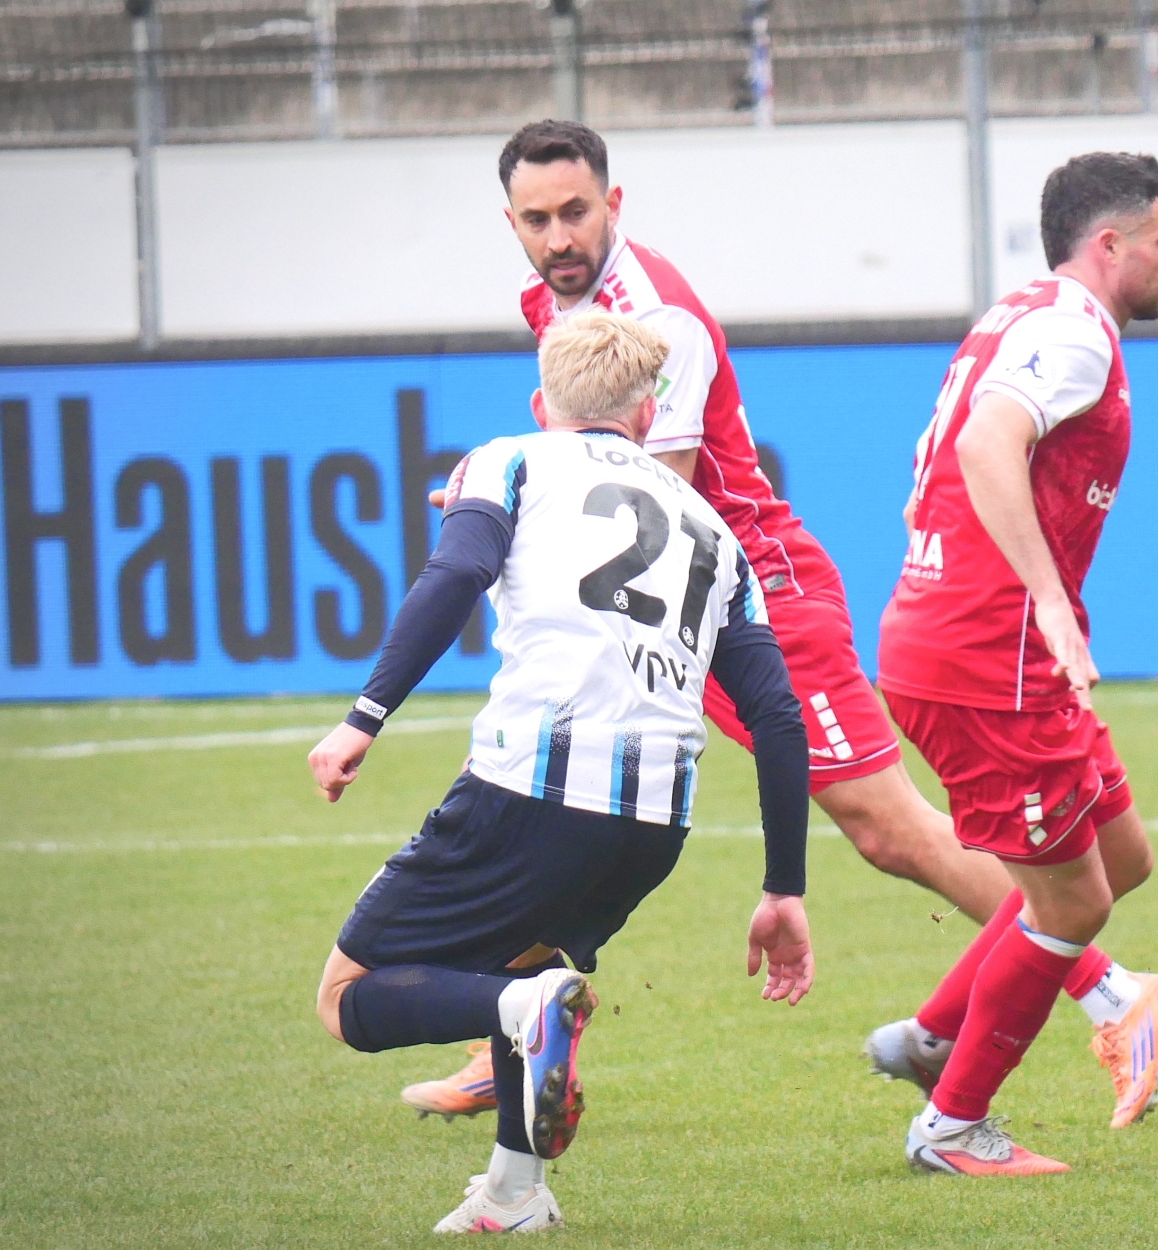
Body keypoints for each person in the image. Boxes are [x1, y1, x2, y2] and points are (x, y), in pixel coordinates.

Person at [398, 120, 1158, 1125]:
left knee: (888, 829)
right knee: (568, 795)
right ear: (511, 224)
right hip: (664, 601)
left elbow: (651, 494)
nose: (558, 236)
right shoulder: (553, 300)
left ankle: (1114, 992)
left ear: (614, 205)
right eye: (536, 220)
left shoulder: (655, 317)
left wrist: (511, 501)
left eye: (576, 212)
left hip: (754, 597)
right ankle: (510, 1038)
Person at [307, 311, 814, 1233]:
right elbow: (778, 716)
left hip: (531, 789)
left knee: (347, 997)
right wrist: (784, 886)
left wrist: (363, 717)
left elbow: (455, 575)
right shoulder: (715, 531)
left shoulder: (508, 459)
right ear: (648, 413)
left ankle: (524, 1010)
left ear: (542, 404)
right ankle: (515, 1192)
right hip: (656, 822)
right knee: (525, 960)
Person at [869, 152, 1158, 1176]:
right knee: (1074, 904)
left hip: (977, 645)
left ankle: (933, 1035)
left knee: (1121, 860)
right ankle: (952, 1124)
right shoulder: (1074, 333)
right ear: (1111, 244)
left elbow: (933, 468)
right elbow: (982, 446)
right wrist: (1045, 598)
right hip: (987, 658)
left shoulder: (1018, 315)